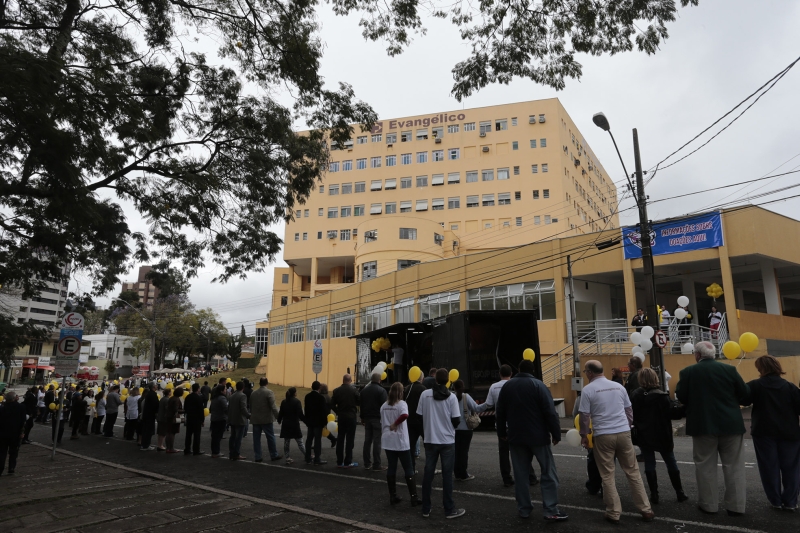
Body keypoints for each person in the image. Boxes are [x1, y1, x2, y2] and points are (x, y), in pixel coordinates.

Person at [676, 341, 750, 516]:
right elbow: (746, 395)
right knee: (734, 466)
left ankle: (709, 505)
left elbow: (682, 396)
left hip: (702, 424)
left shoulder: (688, 372)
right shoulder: (730, 370)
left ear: (697, 355)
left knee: (705, 466)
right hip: (731, 424)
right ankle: (736, 506)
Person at [579, 360, 654, 524]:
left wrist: (584, 435)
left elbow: (584, 415)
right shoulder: (618, 387)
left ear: (590, 373)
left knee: (607, 474)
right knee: (633, 472)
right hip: (623, 432)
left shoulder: (588, 390)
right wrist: (626, 426)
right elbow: (628, 410)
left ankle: (614, 512)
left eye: (585, 372)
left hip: (603, 434)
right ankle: (645, 509)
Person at [496, 359, 566, 521]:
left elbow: (500, 411)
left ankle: (524, 509)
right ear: (533, 371)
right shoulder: (539, 385)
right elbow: (550, 412)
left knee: (521, 475)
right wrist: (556, 434)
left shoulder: (508, 387)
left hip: (516, 437)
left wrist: (502, 432)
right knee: (548, 472)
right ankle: (550, 509)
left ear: (519, 370)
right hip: (538, 436)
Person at [745, 355, 800, 511]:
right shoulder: (789, 387)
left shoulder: (755, 386)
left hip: (764, 432)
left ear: (760, 368)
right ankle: (790, 501)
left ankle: (775, 500)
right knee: (792, 468)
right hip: (790, 433)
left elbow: (743, 400)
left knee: (768, 467)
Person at [630, 368, 688, 504]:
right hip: (662, 433)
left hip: (644, 434)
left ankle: (654, 494)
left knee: (649, 462)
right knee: (670, 461)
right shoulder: (661, 396)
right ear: (655, 378)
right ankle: (679, 492)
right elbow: (673, 414)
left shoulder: (635, 395)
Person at [476, 364, 539, 487]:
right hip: (516, 424)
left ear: (500, 374)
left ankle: (507, 479)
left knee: (504, 453)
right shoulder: (516, 385)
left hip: (501, 425)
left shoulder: (494, 387)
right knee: (522, 451)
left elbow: (488, 404)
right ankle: (530, 477)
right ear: (511, 374)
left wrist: (475, 408)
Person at [417, 368, 465, 519]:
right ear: (448, 380)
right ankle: (449, 509)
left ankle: (426, 508)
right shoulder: (451, 397)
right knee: (447, 476)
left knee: (428, 474)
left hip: (430, 439)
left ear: (435, 379)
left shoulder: (425, 394)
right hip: (447, 440)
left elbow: (419, 416)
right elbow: (456, 420)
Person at [381, 382, 420, 505]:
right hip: (400, 440)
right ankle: (414, 497)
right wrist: (395, 424)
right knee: (408, 468)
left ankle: (393, 496)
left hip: (388, 440)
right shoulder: (402, 404)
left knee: (392, 466)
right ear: (400, 392)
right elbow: (405, 415)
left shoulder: (384, 405)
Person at [331, 374, 360, 468]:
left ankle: (339, 461)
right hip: (351, 417)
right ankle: (348, 461)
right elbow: (359, 401)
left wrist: (337, 411)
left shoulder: (336, 390)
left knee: (340, 438)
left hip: (342, 417)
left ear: (343, 380)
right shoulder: (354, 390)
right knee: (350, 440)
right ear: (350, 381)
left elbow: (332, 404)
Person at [361, 372, 388, 471]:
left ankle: (367, 463)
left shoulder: (364, 391)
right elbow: (385, 406)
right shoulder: (382, 391)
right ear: (379, 380)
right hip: (377, 418)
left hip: (367, 418)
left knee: (367, 441)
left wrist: (362, 417)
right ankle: (377, 464)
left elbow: (362, 405)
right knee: (377, 441)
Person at [250, 377, 282, 462]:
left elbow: (251, 405)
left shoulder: (253, 393)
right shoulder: (269, 392)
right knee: (270, 437)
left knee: (256, 439)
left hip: (255, 419)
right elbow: (273, 407)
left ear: (259, 383)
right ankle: (273, 454)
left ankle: (258, 456)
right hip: (266, 419)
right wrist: (278, 417)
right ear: (267, 383)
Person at [453, 380, 478, 481]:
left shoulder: (451, 397)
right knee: (464, 452)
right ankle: (463, 474)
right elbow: (476, 408)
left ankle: (457, 473)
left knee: (456, 452)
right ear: (463, 387)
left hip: (454, 429)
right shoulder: (466, 397)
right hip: (466, 429)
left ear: (454, 388)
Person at [404, 370, 426, 473]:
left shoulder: (407, 388)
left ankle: (411, 468)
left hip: (410, 420)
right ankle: (430, 468)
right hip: (421, 421)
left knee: (410, 446)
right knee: (428, 445)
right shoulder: (423, 389)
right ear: (421, 378)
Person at [0, 392, 27, 475]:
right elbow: (23, 421)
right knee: (14, 451)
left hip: (3, 433)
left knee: (2, 452)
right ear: (14, 398)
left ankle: (0, 468)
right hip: (16, 433)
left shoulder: (2, 408)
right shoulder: (21, 407)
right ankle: (11, 468)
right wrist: (22, 432)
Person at [278, 387, 306, 464]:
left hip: (286, 424)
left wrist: (279, 420)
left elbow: (281, 412)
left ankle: (287, 457)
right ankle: (307, 455)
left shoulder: (284, 401)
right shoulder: (297, 402)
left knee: (286, 442)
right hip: (294, 424)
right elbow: (300, 414)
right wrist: (306, 421)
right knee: (300, 441)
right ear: (294, 393)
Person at [303, 381, 329, 465]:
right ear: (319, 388)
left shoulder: (307, 396)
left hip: (310, 421)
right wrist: (325, 422)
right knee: (317, 441)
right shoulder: (321, 398)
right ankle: (317, 458)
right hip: (318, 422)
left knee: (309, 440)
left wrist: (306, 420)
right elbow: (323, 411)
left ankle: (307, 457)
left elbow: (306, 410)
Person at [227, 381, 249, 460]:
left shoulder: (232, 396)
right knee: (238, 438)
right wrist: (248, 415)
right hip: (240, 419)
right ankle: (236, 453)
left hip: (232, 419)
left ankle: (231, 453)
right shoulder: (242, 396)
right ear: (243, 388)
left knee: (232, 437)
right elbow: (243, 408)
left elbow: (229, 408)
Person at [183, 383, 205, 455]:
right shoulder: (199, 398)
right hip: (197, 418)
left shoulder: (188, 397)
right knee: (197, 435)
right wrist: (202, 420)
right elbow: (201, 410)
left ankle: (187, 449)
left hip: (189, 417)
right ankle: (196, 450)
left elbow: (185, 407)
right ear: (198, 389)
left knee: (188, 434)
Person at [209, 385, 228, 458]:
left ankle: (214, 451)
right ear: (221, 391)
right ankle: (216, 452)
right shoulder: (222, 398)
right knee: (218, 436)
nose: (226, 391)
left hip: (214, 419)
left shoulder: (214, 398)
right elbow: (226, 408)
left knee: (214, 436)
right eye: (225, 389)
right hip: (220, 419)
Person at [139, 383, 159, 451]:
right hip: (150, 415)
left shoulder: (149, 394)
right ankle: (146, 445)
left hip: (147, 415)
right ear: (153, 387)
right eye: (155, 385)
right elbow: (155, 405)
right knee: (148, 431)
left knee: (146, 430)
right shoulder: (152, 394)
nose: (157, 386)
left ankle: (145, 444)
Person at [165, 387, 184, 453]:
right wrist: (183, 411)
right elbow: (176, 409)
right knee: (172, 433)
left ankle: (168, 448)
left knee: (168, 432)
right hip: (174, 418)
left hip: (168, 417)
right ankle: (171, 448)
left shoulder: (171, 398)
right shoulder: (177, 399)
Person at [319, 383, 337, 448]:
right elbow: (333, 407)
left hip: (322, 416)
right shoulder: (328, 397)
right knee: (323, 430)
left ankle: (317, 445)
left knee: (320, 430)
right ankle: (333, 439)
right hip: (327, 416)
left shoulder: (321, 397)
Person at [156, 387, 172, 451]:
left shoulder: (162, 399)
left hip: (160, 417)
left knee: (160, 432)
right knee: (163, 433)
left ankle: (159, 444)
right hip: (164, 418)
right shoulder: (167, 400)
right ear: (169, 393)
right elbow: (167, 409)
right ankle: (160, 445)